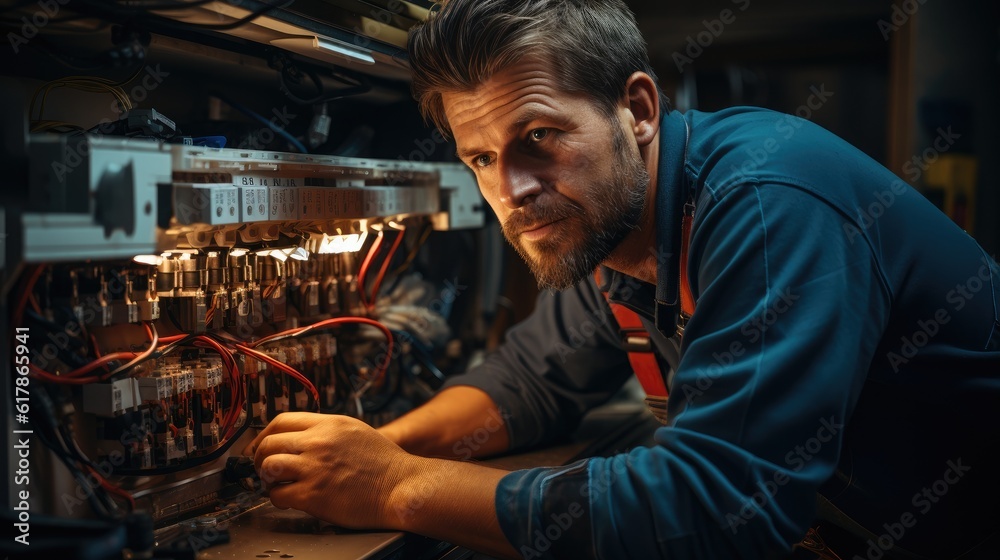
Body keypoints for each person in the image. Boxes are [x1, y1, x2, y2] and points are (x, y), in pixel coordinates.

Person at [246, 1, 1000, 558]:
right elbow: (532, 382)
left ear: (636, 109)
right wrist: (377, 448)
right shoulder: (611, 224)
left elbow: (718, 506)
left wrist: (393, 488)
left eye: (537, 138)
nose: (510, 189)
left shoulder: (764, 203)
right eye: (479, 158)